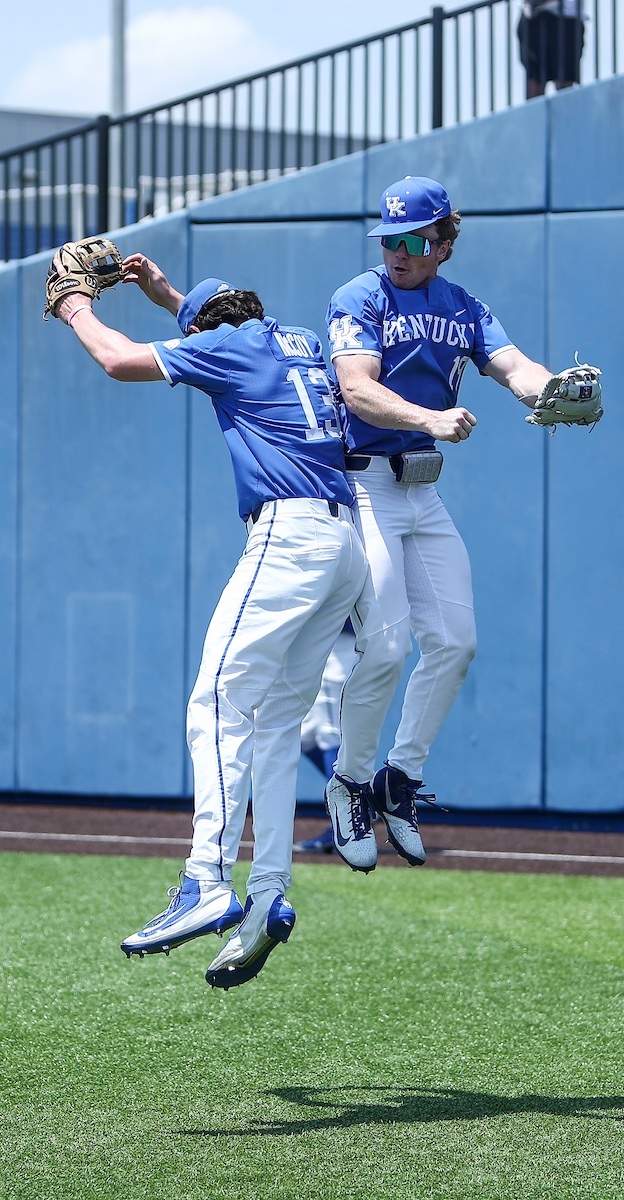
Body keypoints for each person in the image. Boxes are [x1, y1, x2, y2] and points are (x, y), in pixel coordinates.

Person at [51, 255, 367, 987]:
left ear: (203, 330)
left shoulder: (225, 347)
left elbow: (117, 360)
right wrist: (170, 297)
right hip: (344, 544)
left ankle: (206, 880)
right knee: (278, 728)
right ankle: (267, 897)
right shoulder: (296, 341)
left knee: (218, 700)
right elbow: (219, 332)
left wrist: (74, 306)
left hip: (288, 536)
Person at [323, 175, 560, 874]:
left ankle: (399, 777)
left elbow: (513, 366)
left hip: (421, 493)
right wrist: (430, 418)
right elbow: (356, 386)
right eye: (388, 238)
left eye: (412, 239)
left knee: (456, 643)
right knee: (389, 646)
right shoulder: (360, 295)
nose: (396, 251)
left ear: (444, 244)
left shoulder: (463, 305)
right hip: (365, 483)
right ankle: (350, 783)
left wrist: (553, 391)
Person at [294, 621, 358, 854]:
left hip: (344, 644)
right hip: (320, 644)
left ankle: (347, 821)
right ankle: (360, 800)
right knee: (304, 736)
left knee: (332, 736)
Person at [517, 0, 585, 98]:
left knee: (564, 79)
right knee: (536, 79)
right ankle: (536, 112)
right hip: (534, 16)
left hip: (565, 17)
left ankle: (564, 111)